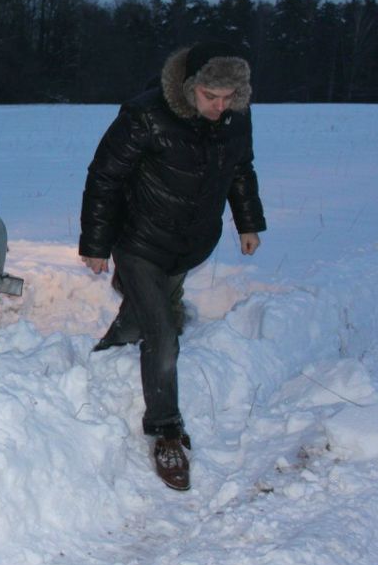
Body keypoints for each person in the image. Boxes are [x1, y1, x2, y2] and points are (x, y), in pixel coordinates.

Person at [78, 41, 266, 491]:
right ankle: (165, 433)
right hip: (139, 242)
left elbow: (241, 169)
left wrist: (248, 222)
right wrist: (97, 243)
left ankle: (93, 372)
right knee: (163, 333)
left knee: (142, 317)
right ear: (189, 87)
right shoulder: (146, 116)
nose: (220, 108)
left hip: (188, 245)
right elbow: (105, 175)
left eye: (228, 99)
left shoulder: (235, 116)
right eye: (210, 98)